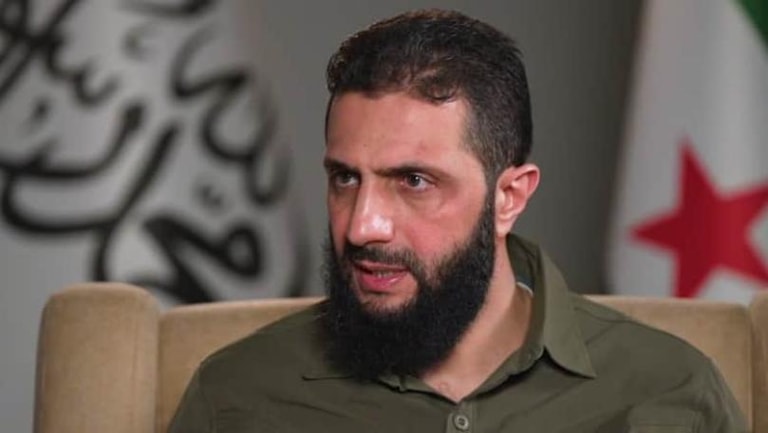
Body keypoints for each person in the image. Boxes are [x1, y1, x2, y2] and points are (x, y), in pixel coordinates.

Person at [169, 9, 746, 432]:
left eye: (413, 181)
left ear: (509, 198)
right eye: (345, 178)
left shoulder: (670, 392)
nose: (362, 226)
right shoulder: (237, 396)